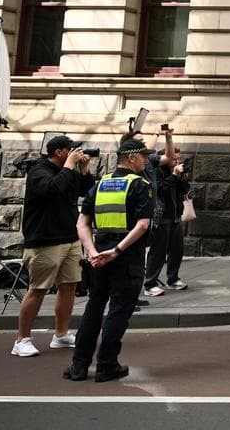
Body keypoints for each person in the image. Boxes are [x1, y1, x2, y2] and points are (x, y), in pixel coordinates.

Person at [62, 139, 155, 382]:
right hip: (126, 255)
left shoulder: (100, 184)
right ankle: (106, 365)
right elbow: (143, 225)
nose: (146, 161)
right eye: (143, 156)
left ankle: (79, 366)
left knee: (94, 307)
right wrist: (117, 250)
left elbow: (82, 223)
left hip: (99, 255)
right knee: (119, 310)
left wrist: (92, 251)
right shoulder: (140, 185)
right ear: (132, 158)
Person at [13, 135, 95, 358]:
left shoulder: (68, 172)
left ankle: (61, 335)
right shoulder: (39, 171)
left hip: (70, 238)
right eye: (71, 150)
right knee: (38, 289)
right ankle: (22, 339)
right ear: (59, 152)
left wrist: (84, 170)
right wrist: (69, 166)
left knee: (69, 286)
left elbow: (87, 192)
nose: (75, 153)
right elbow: (52, 189)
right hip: (45, 240)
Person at [143, 155, 189, 296]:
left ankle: (173, 279)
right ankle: (150, 284)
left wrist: (181, 178)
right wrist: (174, 176)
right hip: (162, 217)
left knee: (177, 250)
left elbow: (185, 190)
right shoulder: (156, 171)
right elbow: (160, 189)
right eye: (174, 158)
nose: (177, 161)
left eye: (178, 158)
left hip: (176, 216)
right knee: (158, 252)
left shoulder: (175, 172)